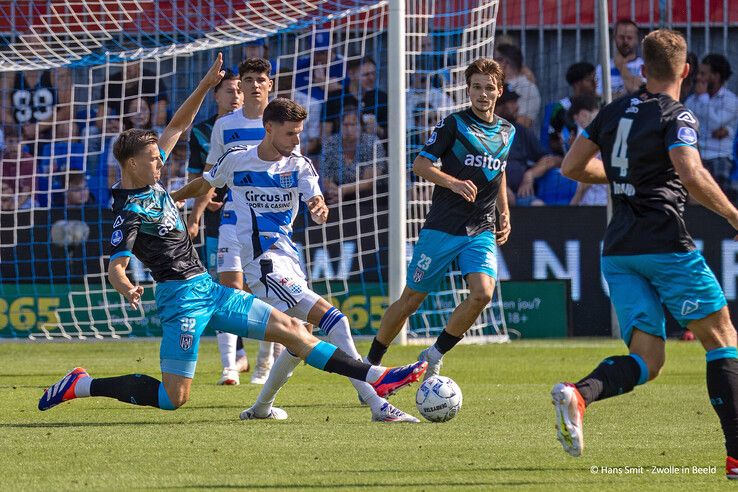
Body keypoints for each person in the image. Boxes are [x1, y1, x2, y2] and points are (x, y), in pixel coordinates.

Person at [38, 54, 427, 415]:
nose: (162, 163)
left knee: (293, 330)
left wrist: (207, 85)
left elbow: (177, 125)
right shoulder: (129, 210)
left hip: (209, 289)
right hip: (180, 301)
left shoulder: (155, 185)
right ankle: (82, 384)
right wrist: (124, 284)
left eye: (160, 157)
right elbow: (117, 265)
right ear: (131, 164)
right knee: (173, 398)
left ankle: (374, 376)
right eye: (155, 160)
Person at [551, 30, 738, 480]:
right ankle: (736, 457)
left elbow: (571, 166)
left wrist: (624, 177)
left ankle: (580, 394)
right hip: (666, 244)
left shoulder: (612, 110)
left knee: (648, 360)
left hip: (619, 249)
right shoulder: (678, 115)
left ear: (644, 69)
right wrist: (734, 214)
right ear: (686, 71)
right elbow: (691, 174)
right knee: (722, 339)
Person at [172, 98, 418, 423]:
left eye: (300, 133)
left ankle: (260, 408)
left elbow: (314, 197)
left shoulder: (299, 165)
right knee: (336, 321)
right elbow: (206, 182)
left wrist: (319, 207)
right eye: (290, 134)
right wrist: (173, 197)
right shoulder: (238, 161)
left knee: (297, 338)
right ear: (269, 128)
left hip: (289, 259)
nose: (297, 141)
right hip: (263, 265)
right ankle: (374, 396)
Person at [365, 58, 513, 382]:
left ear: (499, 91)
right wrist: (453, 182)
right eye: (477, 87)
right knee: (410, 301)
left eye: (489, 87)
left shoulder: (507, 131)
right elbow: (419, 165)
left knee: (483, 293)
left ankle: (434, 354)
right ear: (468, 89)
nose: (483, 93)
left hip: (481, 228)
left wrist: (505, 210)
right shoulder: (453, 125)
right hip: (443, 227)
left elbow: (499, 172)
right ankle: (370, 366)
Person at [196, 57, 280, 386]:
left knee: (267, 292)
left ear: (269, 84)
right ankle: (229, 366)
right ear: (240, 86)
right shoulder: (223, 126)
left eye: (261, 79)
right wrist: (200, 205)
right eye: (249, 79)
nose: (255, 85)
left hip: (271, 221)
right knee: (228, 288)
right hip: (232, 217)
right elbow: (211, 172)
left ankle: (263, 364)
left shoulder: (280, 119)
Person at [186, 69, 250, 381]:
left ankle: (258, 358)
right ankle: (235, 356)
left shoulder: (258, 125)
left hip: (254, 213)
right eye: (229, 91)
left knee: (252, 287)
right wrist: (195, 213)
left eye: (240, 90)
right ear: (216, 96)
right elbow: (200, 174)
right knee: (225, 285)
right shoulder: (202, 131)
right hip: (217, 217)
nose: (236, 95)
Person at [493, 86, 560, 206]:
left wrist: (530, 174)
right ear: (498, 106)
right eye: (512, 103)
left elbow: (553, 160)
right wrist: (501, 189)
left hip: (520, 197)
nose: (517, 107)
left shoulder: (519, 130)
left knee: (538, 206)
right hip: (491, 199)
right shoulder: (482, 131)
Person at [684, 54, 738, 199]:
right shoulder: (692, 100)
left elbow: (716, 124)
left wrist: (703, 99)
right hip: (698, 156)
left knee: (721, 197)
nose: (698, 78)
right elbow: (685, 124)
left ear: (716, 76)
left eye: (703, 73)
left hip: (720, 157)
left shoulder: (730, 100)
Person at [319, 107, 386, 204]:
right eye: (345, 124)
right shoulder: (330, 143)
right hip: (337, 195)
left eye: (353, 124)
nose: (349, 129)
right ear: (340, 126)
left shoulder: (372, 143)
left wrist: (343, 190)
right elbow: (325, 176)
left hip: (368, 197)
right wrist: (335, 192)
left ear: (361, 126)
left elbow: (369, 181)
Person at [540, 62, 596, 155]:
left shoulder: (600, 104)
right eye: (589, 80)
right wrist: (566, 144)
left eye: (595, 79)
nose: (595, 83)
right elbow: (553, 141)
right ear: (577, 84)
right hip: (568, 159)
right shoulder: (561, 107)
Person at [567, 94, 607, 206]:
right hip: (601, 200)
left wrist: (573, 203)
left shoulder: (597, 132)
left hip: (597, 203)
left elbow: (587, 178)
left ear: (583, 113)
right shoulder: (606, 126)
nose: (577, 122)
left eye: (576, 118)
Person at [494, 43, 540, 128]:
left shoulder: (527, 88)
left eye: (494, 60)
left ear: (503, 62)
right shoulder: (495, 84)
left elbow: (522, 126)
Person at [596, 19, 644, 98]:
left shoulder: (643, 66)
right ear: (614, 38)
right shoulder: (603, 67)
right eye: (621, 37)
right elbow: (598, 96)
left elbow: (639, 92)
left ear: (637, 40)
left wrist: (621, 67)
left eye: (629, 38)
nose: (625, 41)